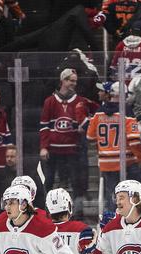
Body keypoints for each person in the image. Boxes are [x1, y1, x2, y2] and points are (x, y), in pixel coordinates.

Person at [86, 81, 141, 206]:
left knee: (112, 195)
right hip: (126, 161)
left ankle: (112, 221)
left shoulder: (98, 112)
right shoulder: (127, 111)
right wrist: (140, 157)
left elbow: (89, 136)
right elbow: (133, 140)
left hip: (107, 162)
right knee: (134, 193)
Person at [39, 68, 89, 202]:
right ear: (63, 81)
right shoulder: (49, 101)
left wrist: (83, 128)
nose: (74, 84)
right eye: (71, 81)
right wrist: (44, 147)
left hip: (72, 150)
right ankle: (48, 210)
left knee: (75, 182)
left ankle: (76, 214)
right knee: (49, 181)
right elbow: (44, 126)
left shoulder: (79, 101)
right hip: (53, 150)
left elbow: (86, 123)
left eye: (75, 81)